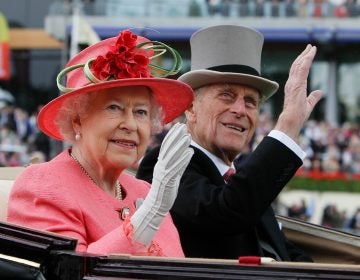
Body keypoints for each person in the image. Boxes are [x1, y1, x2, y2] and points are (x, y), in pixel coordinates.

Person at [136, 25, 322, 261]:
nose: (240, 110)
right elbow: (226, 213)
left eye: (250, 102)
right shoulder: (164, 164)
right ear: (191, 107)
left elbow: (282, 252)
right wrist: (287, 127)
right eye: (227, 95)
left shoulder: (241, 180)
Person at [7, 29, 194, 257]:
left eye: (141, 112)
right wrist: (148, 216)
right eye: (114, 108)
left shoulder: (144, 191)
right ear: (77, 120)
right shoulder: (43, 185)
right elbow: (66, 271)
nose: (131, 125)